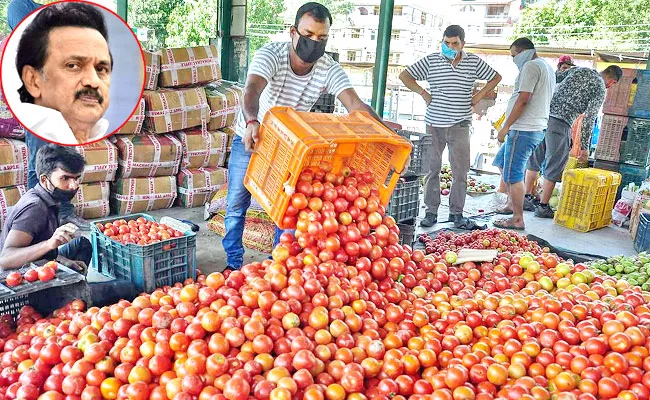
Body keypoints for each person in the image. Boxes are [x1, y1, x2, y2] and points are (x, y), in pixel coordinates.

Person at [223, 2, 399, 270]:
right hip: (253, 134)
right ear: (293, 32)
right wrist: (251, 121)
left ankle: (279, 266)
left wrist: (388, 138)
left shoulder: (327, 67)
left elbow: (356, 105)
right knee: (236, 203)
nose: (314, 42)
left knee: (289, 210)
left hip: (291, 146)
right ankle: (232, 264)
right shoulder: (270, 54)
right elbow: (251, 90)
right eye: (308, 35)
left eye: (321, 37)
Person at [399, 25, 502, 229]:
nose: (450, 46)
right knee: (431, 169)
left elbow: (496, 77)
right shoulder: (431, 60)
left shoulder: (473, 62)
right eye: (446, 42)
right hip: (434, 123)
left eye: (454, 43)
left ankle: (457, 212)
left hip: (460, 123)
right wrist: (423, 93)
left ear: (462, 43)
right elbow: (405, 75)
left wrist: (478, 96)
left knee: (461, 171)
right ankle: (431, 212)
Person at [5, 0, 89, 230]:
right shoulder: (18, 6)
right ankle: (39, 216)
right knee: (41, 161)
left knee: (66, 157)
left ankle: (64, 212)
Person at [523, 64, 623, 218]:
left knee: (535, 159)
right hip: (560, 123)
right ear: (612, 82)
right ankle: (543, 206)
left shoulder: (579, 69)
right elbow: (589, 118)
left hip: (543, 117)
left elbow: (554, 77)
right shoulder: (600, 87)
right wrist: (584, 147)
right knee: (555, 164)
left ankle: (526, 198)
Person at [13, 1, 112, 145]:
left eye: (100, 69)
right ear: (33, 80)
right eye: (73, 66)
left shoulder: (98, 128)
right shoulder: (22, 7)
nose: (93, 81)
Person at [491, 38, 555, 230]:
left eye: (513, 55)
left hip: (523, 129)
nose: (513, 60)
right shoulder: (546, 67)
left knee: (513, 174)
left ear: (522, 51)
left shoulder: (530, 67)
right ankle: (511, 204)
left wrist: (505, 127)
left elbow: (523, 99)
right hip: (532, 128)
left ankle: (517, 218)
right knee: (502, 162)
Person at [0, 144, 91, 272]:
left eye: (77, 178)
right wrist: (49, 244)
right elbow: (5, 260)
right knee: (123, 287)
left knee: (83, 244)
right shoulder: (35, 208)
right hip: (24, 278)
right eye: (64, 178)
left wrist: (65, 261)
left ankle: (76, 284)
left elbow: (45, 252)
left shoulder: (50, 197)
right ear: (44, 179)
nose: (73, 186)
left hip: (41, 262)